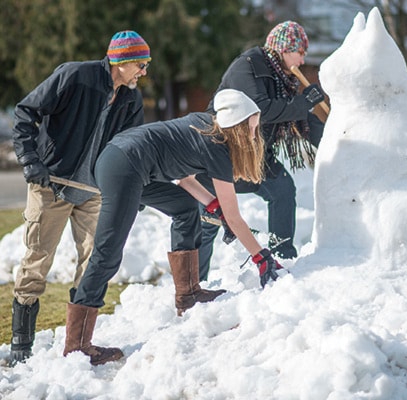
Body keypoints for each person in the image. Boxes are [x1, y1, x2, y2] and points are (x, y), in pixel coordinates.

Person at [64, 89, 284, 365]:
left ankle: (189, 294)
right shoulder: (218, 148)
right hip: (123, 165)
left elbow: (184, 179)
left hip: (126, 160)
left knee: (184, 208)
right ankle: (77, 345)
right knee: (107, 253)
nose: (255, 133)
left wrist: (214, 208)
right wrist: (261, 258)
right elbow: (235, 215)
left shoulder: (205, 126)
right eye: (252, 126)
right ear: (238, 127)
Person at [9, 30, 151, 366]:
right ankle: (20, 346)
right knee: (37, 260)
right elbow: (25, 113)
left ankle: (78, 344)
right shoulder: (76, 76)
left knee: (95, 261)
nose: (144, 72)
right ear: (122, 61)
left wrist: (135, 188)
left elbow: (133, 148)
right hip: (52, 186)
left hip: (94, 192)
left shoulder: (131, 100)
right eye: (141, 64)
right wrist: (31, 161)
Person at [196, 20, 326, 281]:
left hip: (256, 157)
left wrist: (334, 143)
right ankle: (192, 284)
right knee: (208, 219)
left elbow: (299, 120)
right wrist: (302, 102)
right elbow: (261, 109)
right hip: (222, 155)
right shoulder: (249, 65)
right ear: (284, 49)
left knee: (282, 189)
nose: (302, 61)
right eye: (300, 52)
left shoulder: (283, 80)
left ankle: (282, 256)